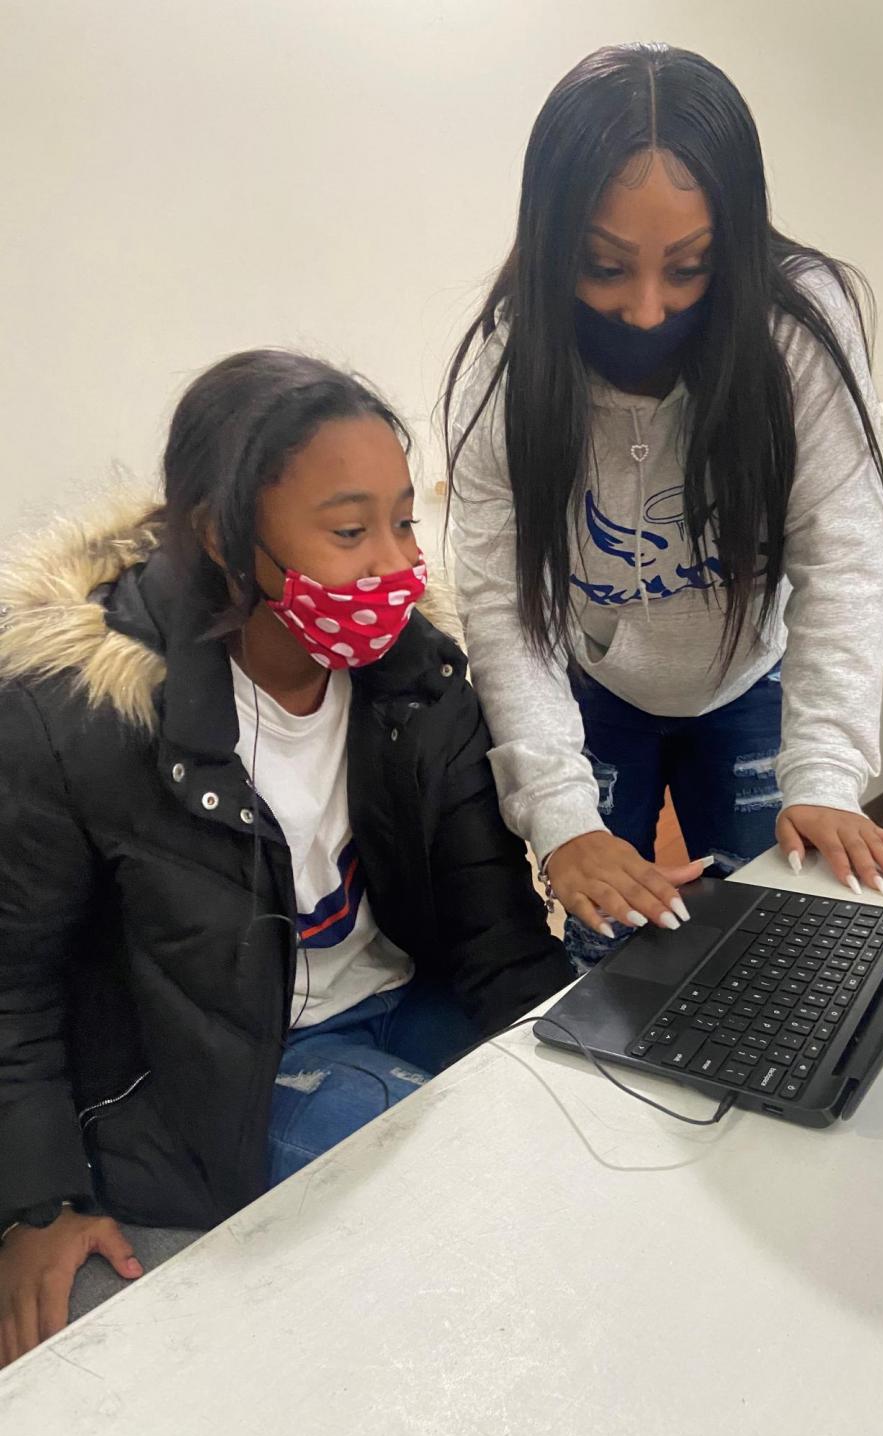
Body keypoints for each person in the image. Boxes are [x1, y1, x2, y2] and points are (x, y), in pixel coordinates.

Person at [0, 349, 572, 1365]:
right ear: (225, 536)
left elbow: (495, 925)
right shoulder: (75, 719)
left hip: (397, 992)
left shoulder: (419, 683)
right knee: (446, 1188)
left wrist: (566, 1038)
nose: (396, 563)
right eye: (350, 531)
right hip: (218, 1067)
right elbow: (13, 983)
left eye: (404, 518)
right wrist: (37, 1199)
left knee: (566, 1123)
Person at [445, 42, 883, 969]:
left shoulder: (800, 329)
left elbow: (843, 551)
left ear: (733, 247)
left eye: (689, 267)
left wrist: (823, 769)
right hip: (597, 682)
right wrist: (561, 818)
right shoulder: (508, 361)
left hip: (748, 677)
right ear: (552, 243)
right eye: (605, 266)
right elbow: (504, 607)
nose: (649, 310)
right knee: (605, 940)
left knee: (775, 946)